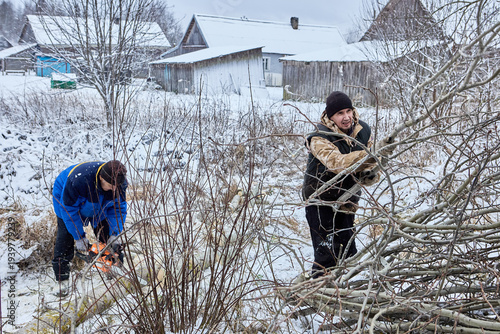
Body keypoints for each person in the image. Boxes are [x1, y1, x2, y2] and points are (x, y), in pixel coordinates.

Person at [302, 91, 379, 278]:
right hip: (320, 199)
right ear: (330, 117)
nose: (346, 117)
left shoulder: (362, 130)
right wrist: (368, 157)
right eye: (339, 114)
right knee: (326, 257)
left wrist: (370, 174)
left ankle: (346, 292)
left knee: (348, 251)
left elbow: (372, 164)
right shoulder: (319, 137)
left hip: (347, 198)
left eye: (348, 111)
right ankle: (320, 294)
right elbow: (337, 163)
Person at [51, 160, 127, 294]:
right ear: (101, 178)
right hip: (66, 200)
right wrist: (79, 237)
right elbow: (69, 211)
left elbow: (118, 209)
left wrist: (115, 233)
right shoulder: (78, 181)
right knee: (65, 238)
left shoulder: (118, 185)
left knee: (107, 235)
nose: (114, 189)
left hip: (100, 204)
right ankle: (62, 281)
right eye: (111, 185)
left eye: (116, 187)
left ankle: (114, 269)